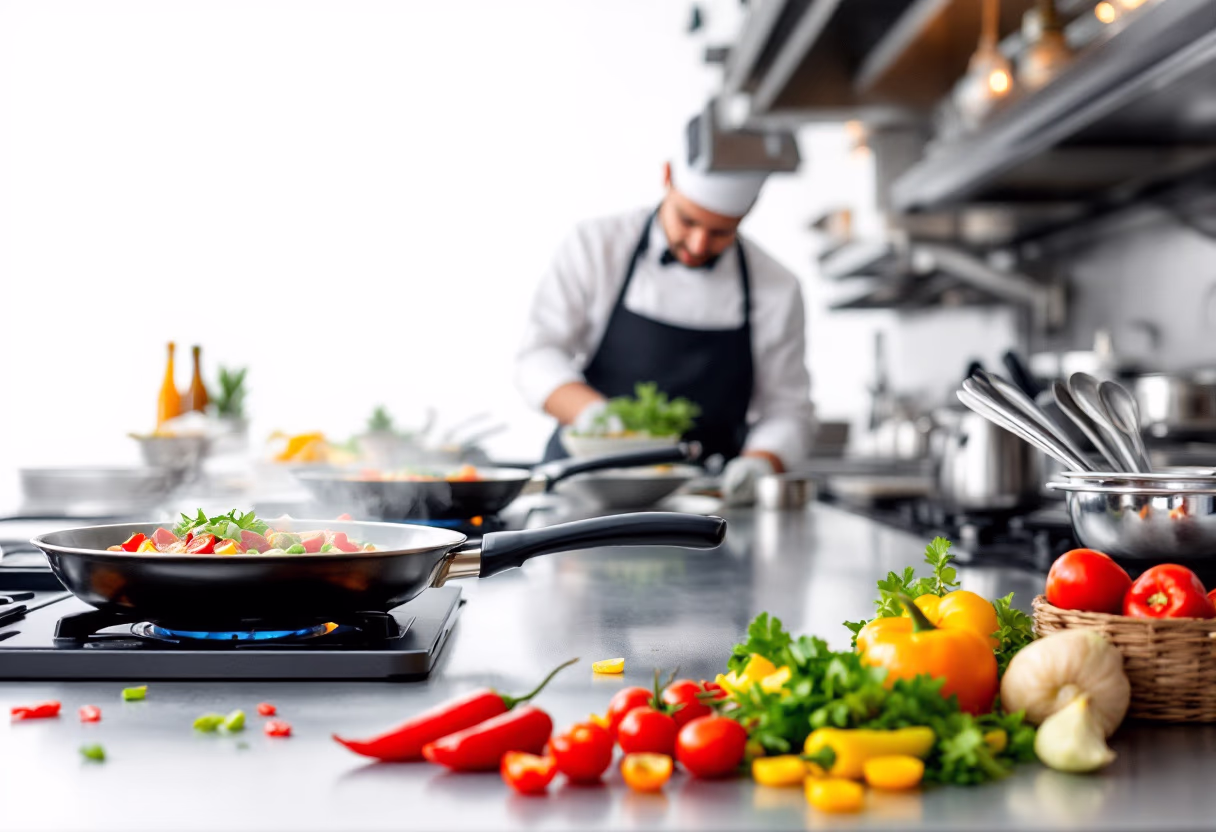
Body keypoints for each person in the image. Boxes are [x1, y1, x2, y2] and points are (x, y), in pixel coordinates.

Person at [514, 122, 814, 505]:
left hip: (703, 501)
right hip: (584, 485)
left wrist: (760, 462)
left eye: (722, 232)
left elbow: (787, 408)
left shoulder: (777, 288)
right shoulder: (596, 245)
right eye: (688, 220)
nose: (698, 243)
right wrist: (598, 419)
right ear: (667, 176)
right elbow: (536, 356)